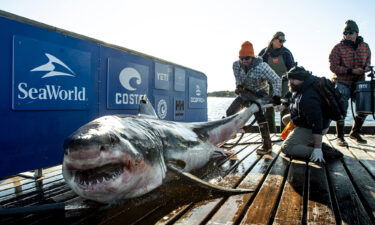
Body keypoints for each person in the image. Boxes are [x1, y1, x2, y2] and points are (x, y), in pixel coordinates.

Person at [226, 41, 282, 155]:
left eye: (247, 58)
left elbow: (276, 80)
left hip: (259, 94)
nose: (244, 61)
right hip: (245, 93)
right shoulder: (236, 65)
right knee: (230, 112)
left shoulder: (262, 67)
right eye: (241, 58)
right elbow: (238, 80)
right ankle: (230, 133)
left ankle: (267, 146)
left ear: (252, 57)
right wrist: (239, 86)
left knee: (259, 116)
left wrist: (276, 96)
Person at [280, 66, 343, 162]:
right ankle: (309, 142)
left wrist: (317, 148)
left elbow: (316, 123)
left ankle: (321, 150)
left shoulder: (308, 97)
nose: (290, 82)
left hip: (315, 126)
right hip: (305, 119)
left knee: (286, 147)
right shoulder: (303, 85)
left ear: (302, 79)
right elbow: (291, 95)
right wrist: (284, 104)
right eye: (289, 79)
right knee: (285, 119)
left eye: (293, 79)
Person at [329, 20, 372, 146]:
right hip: (342, 81)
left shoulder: (365, 46)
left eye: (350, 32)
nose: (347, 35)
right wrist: (350, 70)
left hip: (360, 82)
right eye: (345, 32)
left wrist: (365, 69)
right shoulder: (337, 48)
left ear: (357, 33)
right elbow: (333, 67)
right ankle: (340, 137)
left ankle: (355, 132)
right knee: (342, 107)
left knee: (365, 107)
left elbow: (368, 63)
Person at [259, 32, 296, 133]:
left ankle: (285, 134)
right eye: (280, 40)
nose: (282, 43)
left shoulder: (286, 53)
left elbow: (292, 69)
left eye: (284, 41)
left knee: (285, 108)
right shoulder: (264, 52)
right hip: (269, 84)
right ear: (274, 39)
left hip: (284, 84)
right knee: (269, 109)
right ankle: (271, 133)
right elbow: (258, 67)